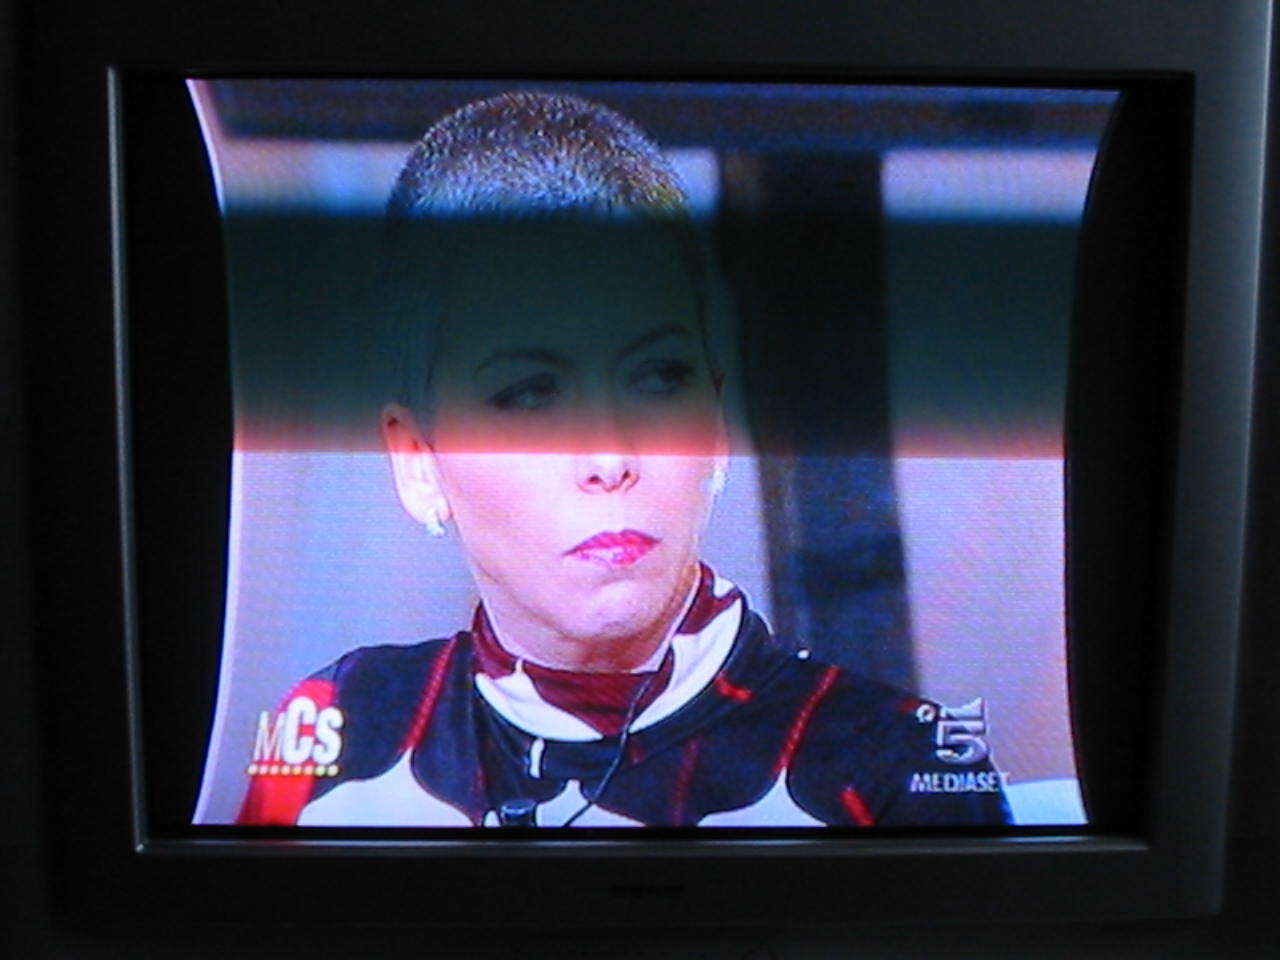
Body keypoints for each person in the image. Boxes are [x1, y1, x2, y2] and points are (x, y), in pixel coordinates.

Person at [237, 91, 1011, 828]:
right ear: (418, 463)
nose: (610, 457)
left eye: (659, 378)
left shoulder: (894, 769)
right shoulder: (336, 737)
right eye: (530, 394)